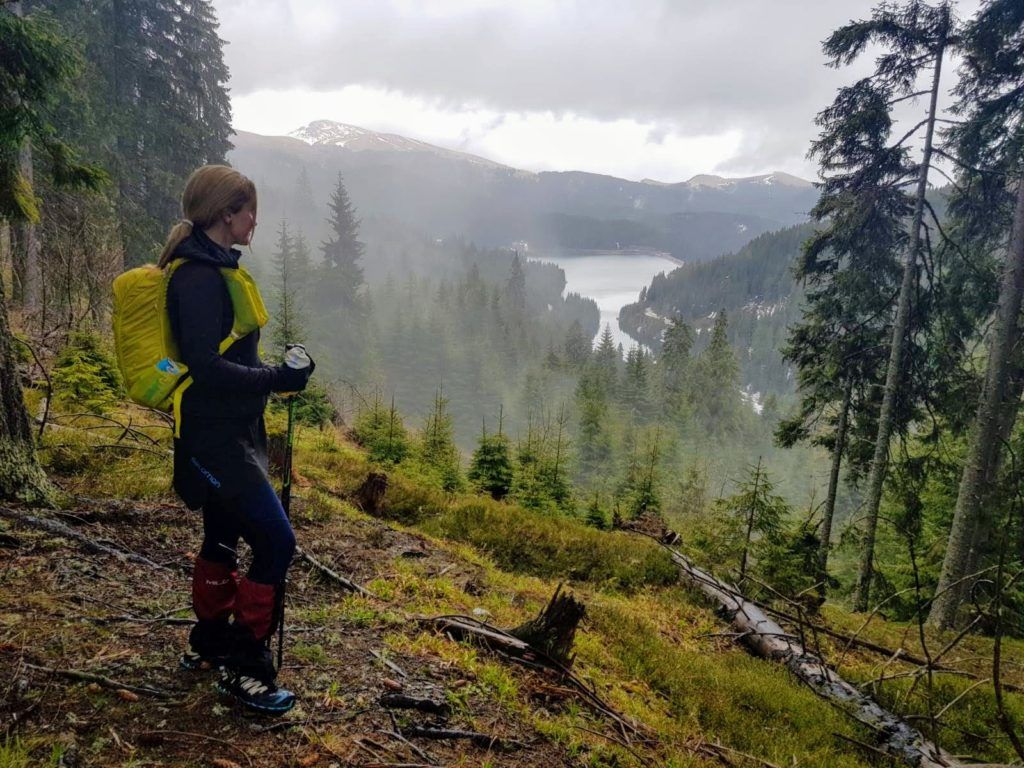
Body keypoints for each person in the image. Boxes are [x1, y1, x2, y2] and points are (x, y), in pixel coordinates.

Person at [157, 164, 314, 715]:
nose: (255, 220)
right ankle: (244, 666)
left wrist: (271, 372)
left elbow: (227, 357)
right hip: (215, 439)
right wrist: (278, 378)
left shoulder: (213, 265)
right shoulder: (197, 277)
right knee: (276, 543)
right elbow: (206, 366)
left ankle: (209, 645)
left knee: (221, 536)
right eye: (250, 210)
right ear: (227, 213)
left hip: (229, 432)